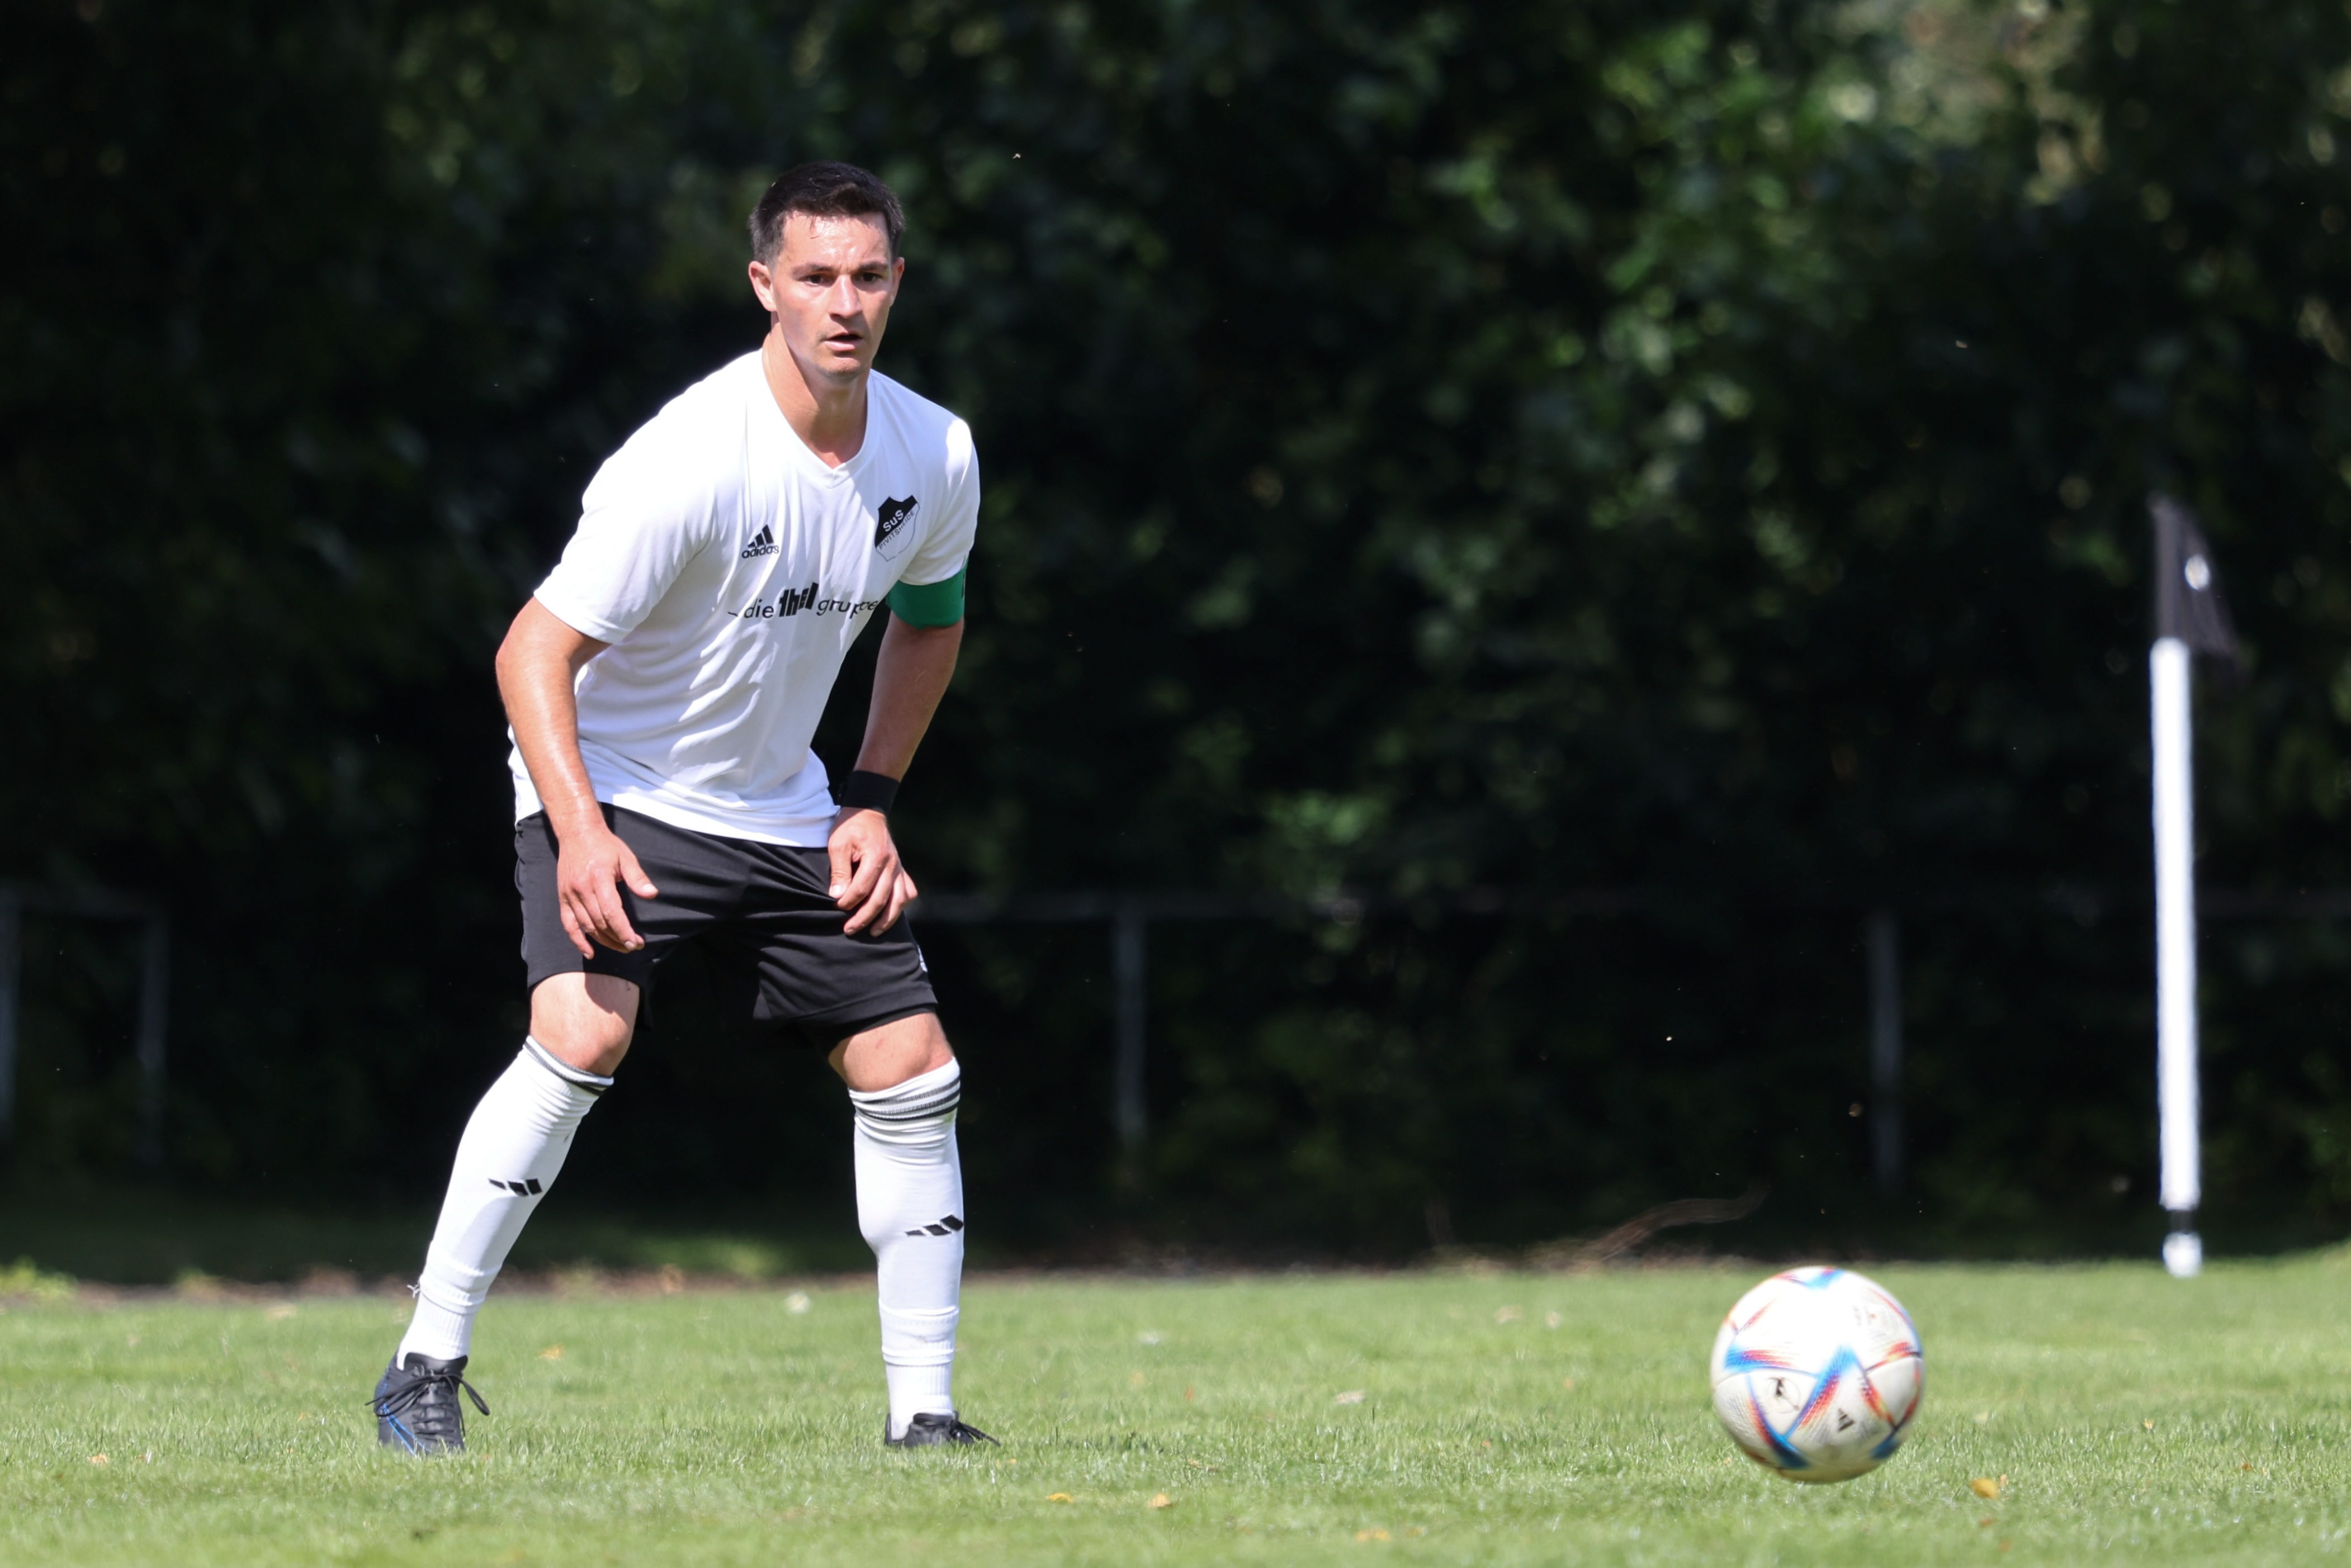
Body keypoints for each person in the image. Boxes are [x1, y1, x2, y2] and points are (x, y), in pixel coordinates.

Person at [370, 161, 992, 1454]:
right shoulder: (692, 456)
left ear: (897, 284)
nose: (844, 303)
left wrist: (870, 798)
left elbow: (931, 622)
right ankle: (423, 1361)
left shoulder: (935, 451)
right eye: (815, 277)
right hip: (621, 788)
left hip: (787, 806)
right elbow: (531, 653)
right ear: (765, 284)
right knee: (583, 1034)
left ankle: (925, 1416)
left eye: (868, 276)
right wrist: (580, 831)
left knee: (913, 1066)